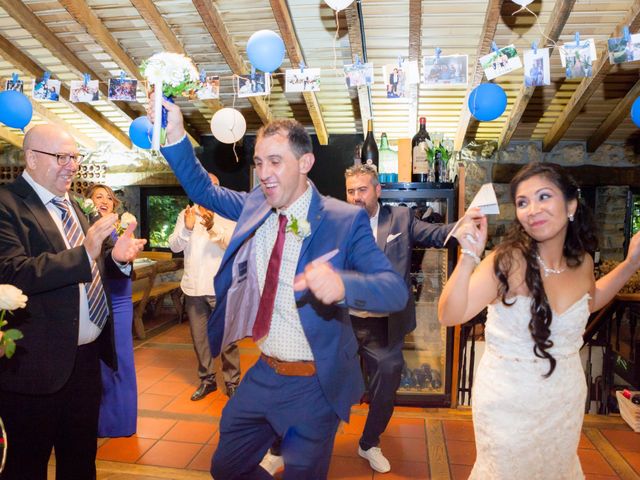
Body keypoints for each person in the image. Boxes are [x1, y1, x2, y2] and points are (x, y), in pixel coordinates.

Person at [152, 98, 408, 479]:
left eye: (275, 161)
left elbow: (394, 290)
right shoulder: (256, 204)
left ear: (305, 164)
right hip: (264, 372)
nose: (264, 173)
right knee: (226, 467)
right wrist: (174, 134)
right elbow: (203, 190)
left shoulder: (344, 218)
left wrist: (342, 284)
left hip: (314, 382)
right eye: (258, 162)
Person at [438, 162, 640, 479]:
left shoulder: (583, 261)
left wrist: (630, 264)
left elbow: (590, 301)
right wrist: (468, 257)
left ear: (571, 205)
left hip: (564, 398)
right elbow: (449, 315)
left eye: (544, 196)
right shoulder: (505, 260)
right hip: (508, 401)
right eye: (522, 202)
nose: (532, 209)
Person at [0, 124, 146, 479]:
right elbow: (13, 271)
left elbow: (94, 263)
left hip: (84, 359)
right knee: (26, 466)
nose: (72, 165)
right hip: (36, 365)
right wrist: (86, 252)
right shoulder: (6, 202)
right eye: (61, 157)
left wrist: (117, 259)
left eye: (75, 157)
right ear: (31, 158)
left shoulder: (71, 205)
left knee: (80, 461)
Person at [341, 164, 480, 473]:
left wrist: (464, 226)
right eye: (351, 191)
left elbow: (437, 233)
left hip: (385, 326)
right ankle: (293, 441)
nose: (356, 197)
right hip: (344, 323)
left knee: (387, 383)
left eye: (362, 190)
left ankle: (369, 443)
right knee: (317, 379)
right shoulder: (337, 222)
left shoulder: (400, 219)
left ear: (377, 191)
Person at [168, 174, 241, 401]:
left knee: (228, 339)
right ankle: (207, 380)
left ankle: (232, 382)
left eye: (214, 187)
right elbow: (174, 245)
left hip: (220, 287)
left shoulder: (228, 213)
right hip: (193, 288)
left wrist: (212, 227)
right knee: (199, 338)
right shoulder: (186, 214)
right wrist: (187, 229)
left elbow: (232, 243)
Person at [86, 183, 138, 437]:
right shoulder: (88, 229)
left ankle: (121, 421)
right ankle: (102, 419)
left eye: (108, 197)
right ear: (89, 203)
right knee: (101, 360)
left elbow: (122, 260)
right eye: (98, 196)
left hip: (119, 297)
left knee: (121, 358)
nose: (104, 200)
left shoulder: (119, 228)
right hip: (99, 296)